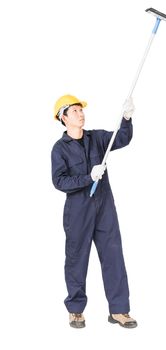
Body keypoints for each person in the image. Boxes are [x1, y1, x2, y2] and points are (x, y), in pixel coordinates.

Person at [51, 94, 137, 329]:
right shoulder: (59, 149)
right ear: (64, 117)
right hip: (78, 211)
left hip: (104, 206)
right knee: (77, 259)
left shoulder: (97, 138)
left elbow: (122, 138)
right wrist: (87, 177)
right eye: (76, 111)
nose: (81, 114)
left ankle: (119, 311)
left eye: (82, 110)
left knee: (113, 256)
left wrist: (127, 118)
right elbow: (59, 181)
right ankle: (76, 311)